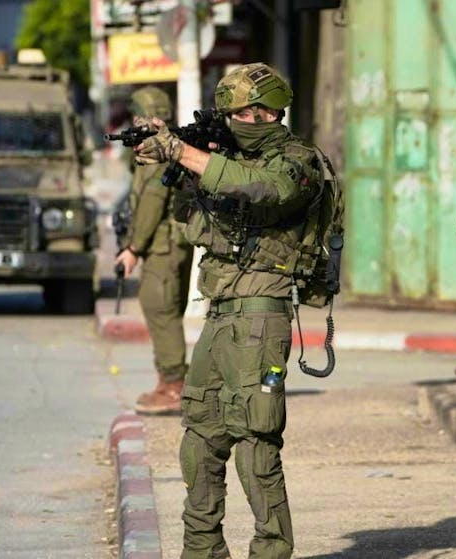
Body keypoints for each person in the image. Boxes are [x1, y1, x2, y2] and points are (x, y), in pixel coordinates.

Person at [134, 62, 323, 559]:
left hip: (262, 313)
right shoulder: (227, 159)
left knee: (256, 444)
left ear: (270, 111)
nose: (245, 120)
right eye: (235, 114)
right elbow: (189, 217)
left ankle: (271, 551)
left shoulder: (296, 160)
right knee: (200, 438)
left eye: (250, 112)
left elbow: (267, 190)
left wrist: (189, 153)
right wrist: (172, 163)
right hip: (220, 311)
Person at [115, 86, 195, 415]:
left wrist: (133, 248)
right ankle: (169, 380)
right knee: (166, 309)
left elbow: (150, 203)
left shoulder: (157, 152)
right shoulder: (168, 144)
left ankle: (174, 385)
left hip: (163, 246)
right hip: (171, 244)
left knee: (159, 309)